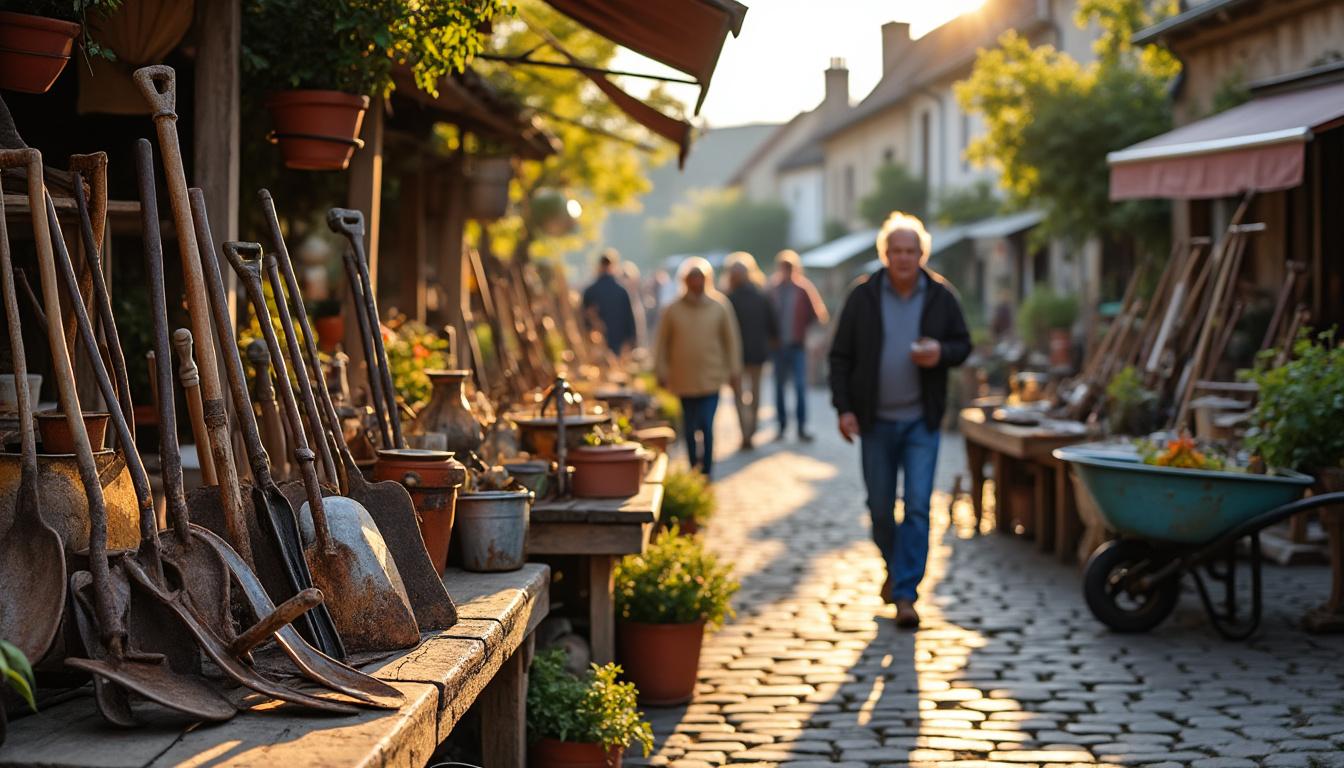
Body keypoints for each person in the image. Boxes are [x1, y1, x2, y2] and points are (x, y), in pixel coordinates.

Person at [828, 211, 971, 629]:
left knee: (919, 507)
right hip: (875, 421)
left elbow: (963, 345)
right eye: (897, 251)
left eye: (911, 251)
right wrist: (845, 408)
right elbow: (840, 357)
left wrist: (940, 353)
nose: (904, 258)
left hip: (920, 421)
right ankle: (896, 566)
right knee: (878, 507)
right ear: (884, 254)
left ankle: (907, 593)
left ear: (922, 254)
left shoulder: (942, 296)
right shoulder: (863, 296)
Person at [654, 257, 742, 479]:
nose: (696, 283)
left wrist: (734, 371)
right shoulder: (673, 310)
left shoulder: (719, 306)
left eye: (700, 278)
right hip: (683, 378)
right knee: (690, 426)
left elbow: (731, 341)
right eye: (692, 279)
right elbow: (661, 344)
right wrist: (661, 371)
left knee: (707, 423)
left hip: (711, 377)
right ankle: (693, 466)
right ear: (685, 281)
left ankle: (708, 469)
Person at [768, 250, 828, 442]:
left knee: (801, 388)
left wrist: (807, 335)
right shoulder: (772, 290)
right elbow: (765, 317)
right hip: (778, 347)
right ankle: (781, 426)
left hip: (797, 346)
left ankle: (801, 427)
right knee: (778, 388)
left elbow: (818, 316)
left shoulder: (803, 289)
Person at [723, 252, 778, 451]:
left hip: (745, 355)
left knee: (743, 396)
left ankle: (747, 432)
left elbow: (771, 322)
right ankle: (749, 431)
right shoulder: (756, 295)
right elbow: (773, 324)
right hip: (750, 354)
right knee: (751, 395)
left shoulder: (731, 298)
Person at [581, 249, 638, 355]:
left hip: (597, 347)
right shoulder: (621, 291)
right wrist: (632, 343)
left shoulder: (590, 292)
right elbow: (629, 319)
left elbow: (584, 321)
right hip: (619, 345)